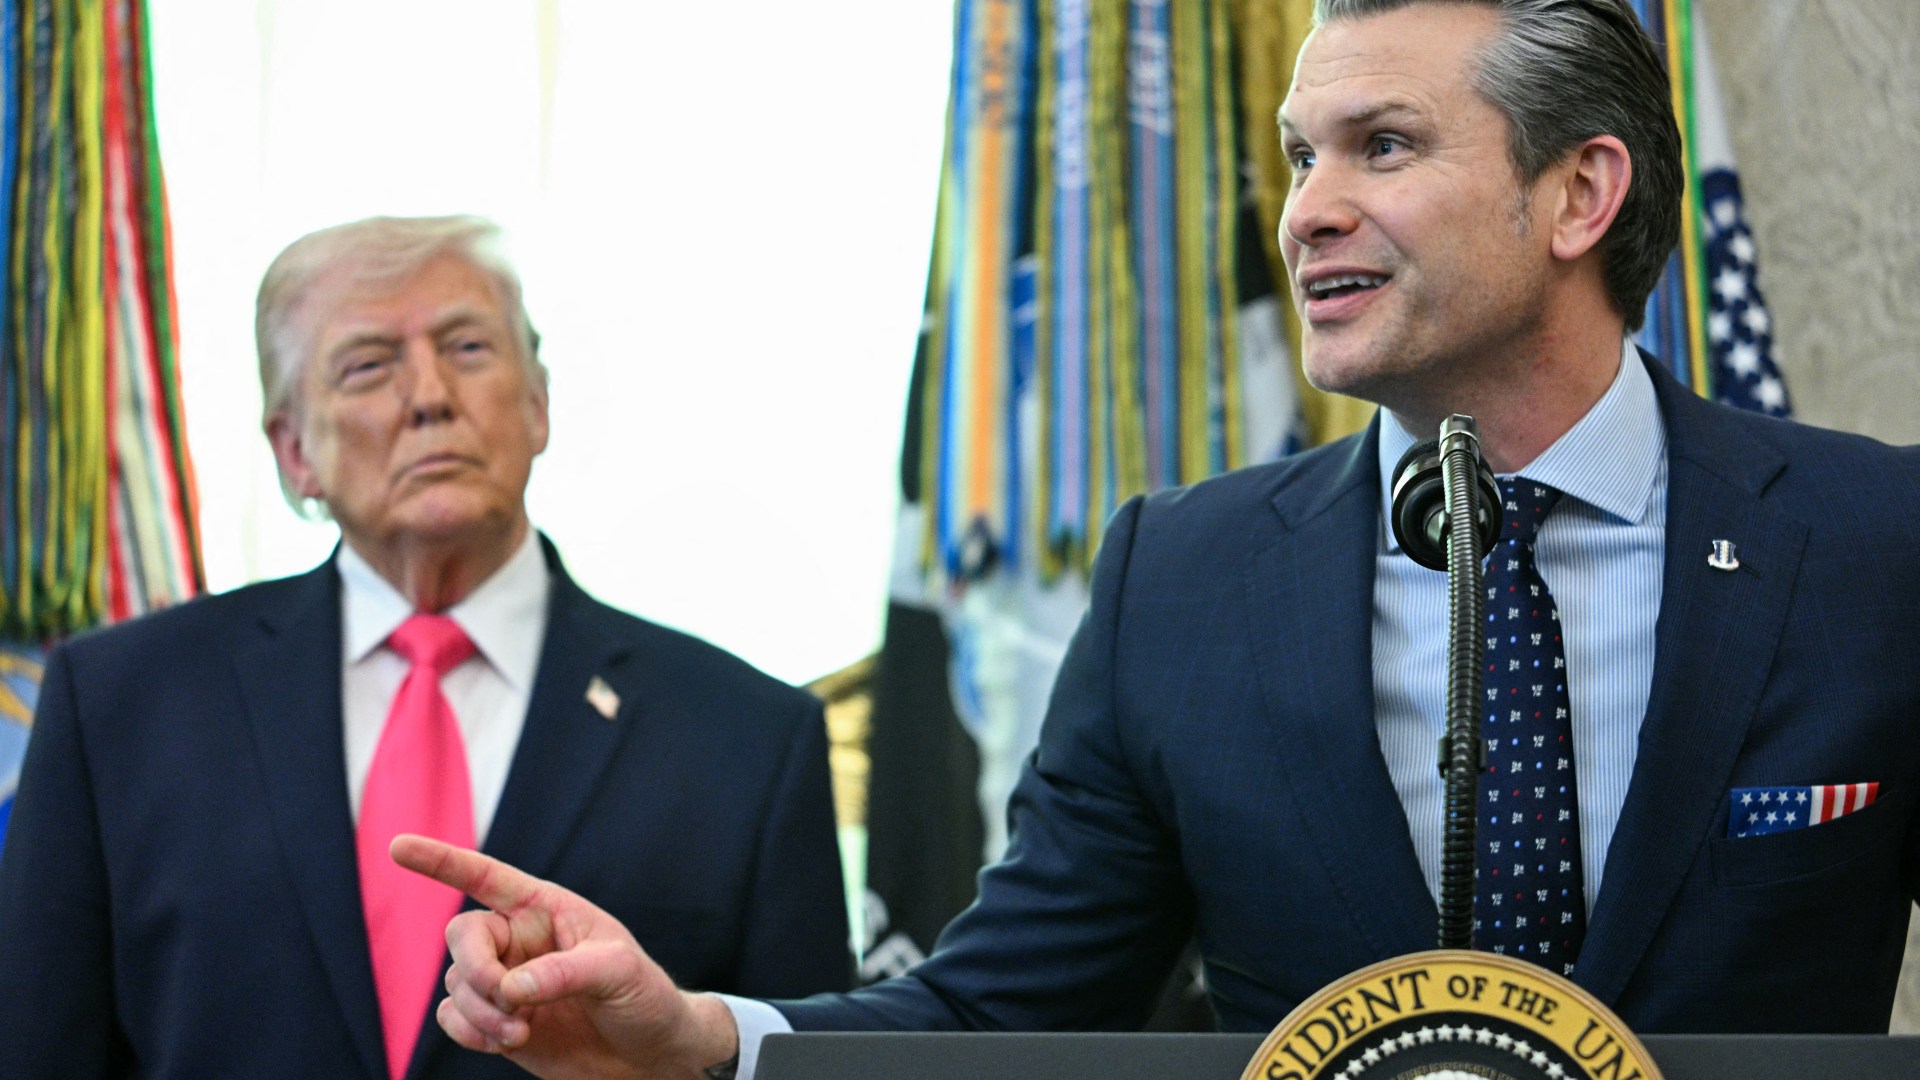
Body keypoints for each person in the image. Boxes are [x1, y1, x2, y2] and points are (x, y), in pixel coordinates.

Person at [402, 2, 1920, 1076]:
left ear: (1581, 191)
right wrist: (696, 1039)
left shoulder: (1874, 544)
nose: (1307, 211)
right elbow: (1001, 1014)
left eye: (1384, 147)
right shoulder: (1182, 583)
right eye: (1300, 156)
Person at [0, 215, 852, 1080]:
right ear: (295, 451)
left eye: (468, 348)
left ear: (538, 404)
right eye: (369, 365)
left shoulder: (745, 738)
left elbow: (797, 1059)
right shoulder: (118, 705)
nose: (430, 395)